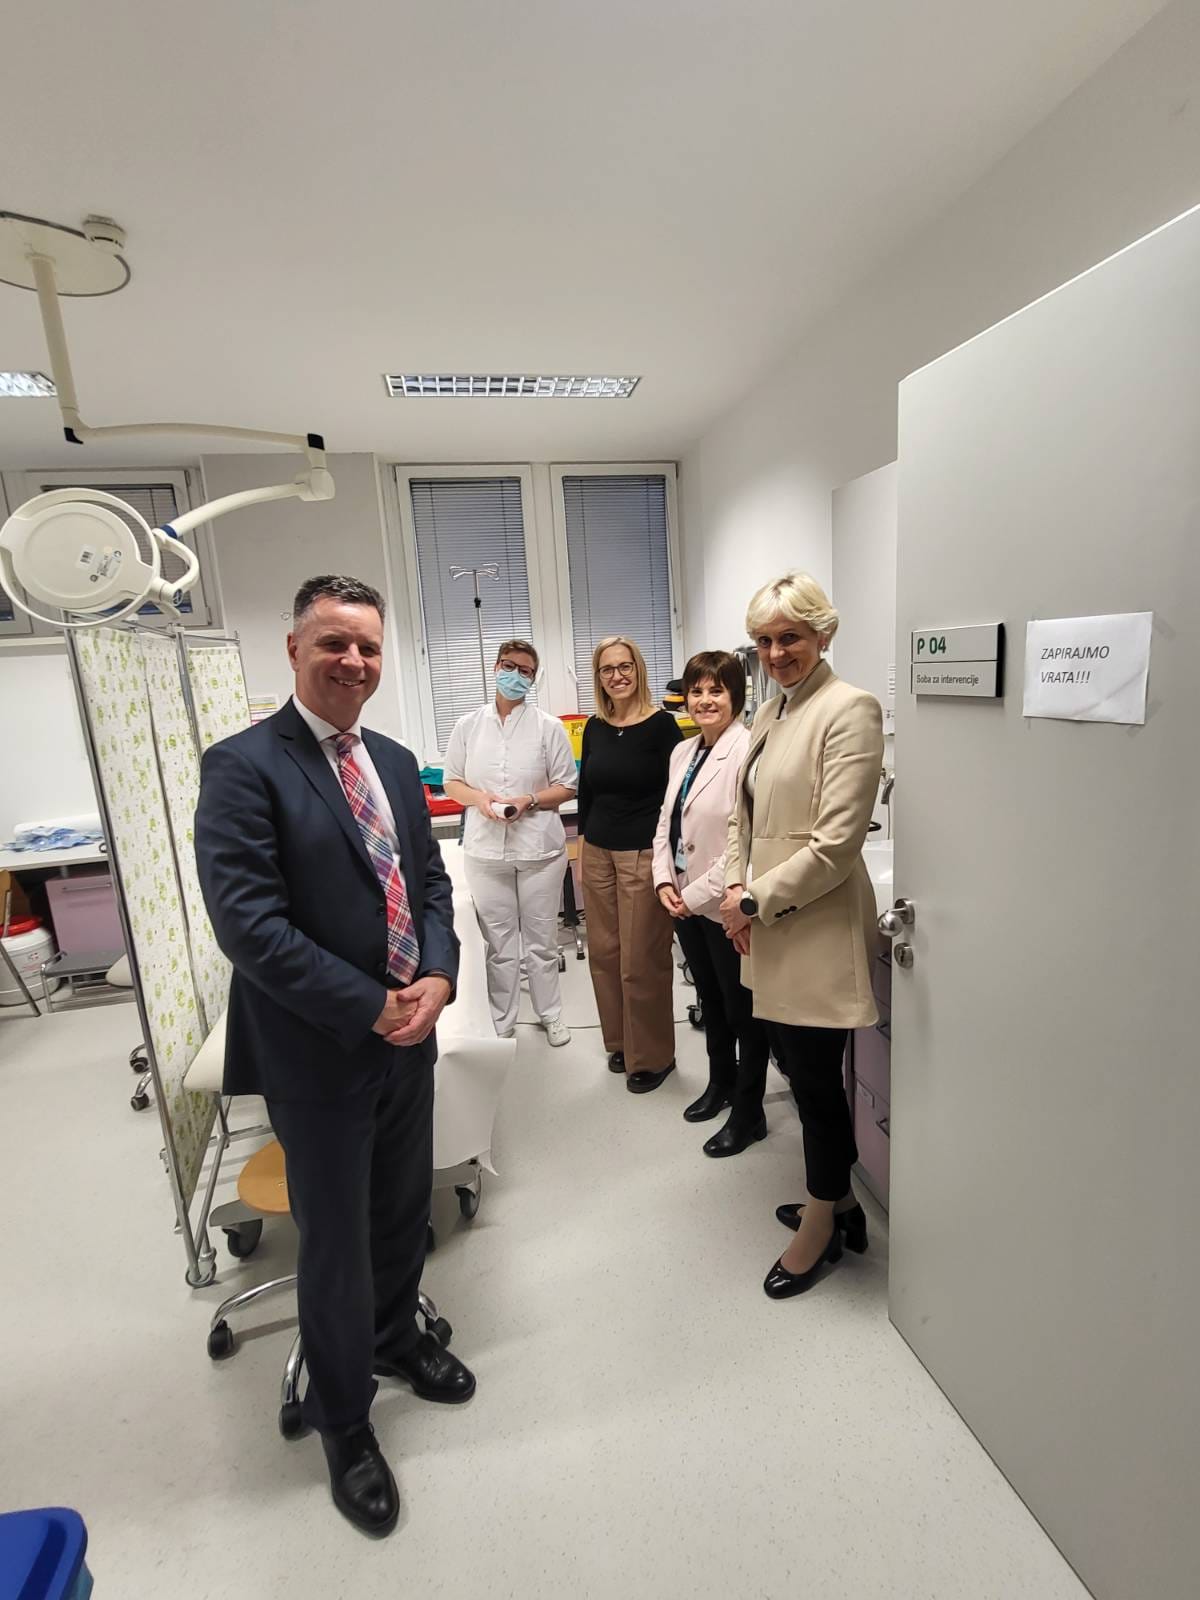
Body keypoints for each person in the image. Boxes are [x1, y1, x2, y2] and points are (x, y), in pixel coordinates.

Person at [195, 574, 471, 1539]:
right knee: (336, 1243)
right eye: (333, 643)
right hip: (318, 1055)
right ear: (294, 649)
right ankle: (344, 1420)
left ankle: (396, 1340)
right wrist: (369, 1006)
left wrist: (437, 977)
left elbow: (430, 883)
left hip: (410, 1041)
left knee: (400, 1215)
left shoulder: (392, 760)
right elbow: (250, 927)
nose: (354, 661)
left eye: (368, 646)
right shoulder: (243, 767)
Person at [720, 572, 882, 1299]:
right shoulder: (771, 710)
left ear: (823, 634)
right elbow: (743, 817)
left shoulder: (850, 710)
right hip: (766, 921)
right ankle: (842, 1205)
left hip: (811, 927)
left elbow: (836, 846)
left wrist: (752, 901)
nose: (775, 652)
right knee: (798, 1069)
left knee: (815, 1084)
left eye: (790, 637)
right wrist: (734, 890)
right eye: (763, 640)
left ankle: (821, 1225)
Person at [652, 651, 770, 1156]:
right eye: (696, 691)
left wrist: (693, 894)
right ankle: (720, 1082)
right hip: (683, 900)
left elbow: (746, 839)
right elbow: (667, 822)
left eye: (716, 691)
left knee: (744, 1012)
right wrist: (663, 880)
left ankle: (750, 1111)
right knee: (711, 1000)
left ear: (735, 696)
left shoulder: (748, 751)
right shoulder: (682, 751)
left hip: (723, 904)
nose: (704, 700)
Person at [442, 639, 578, 1047]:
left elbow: (567, 786)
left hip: (539, 851)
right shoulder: (468, 726)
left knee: (541, 941)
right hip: (485, 852)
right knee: (499, 945)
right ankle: (502, 1020)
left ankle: (551, 1014)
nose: (515, 675)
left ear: (533, 679)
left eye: (525, 670)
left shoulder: (548, 727)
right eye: (508, 666)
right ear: (495, 667)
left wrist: (529, 800)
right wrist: (480, 799)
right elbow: (452, 782)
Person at [578, 636, 682, 1091]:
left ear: (638, 669)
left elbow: (676, 798)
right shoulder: (595, 726)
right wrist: (584, 845)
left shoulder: (662, 727)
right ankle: (621, 1041)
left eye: (624, 667)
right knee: (604, 953)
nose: (617, 676)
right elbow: (587, 791)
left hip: (643, 852)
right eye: (607, 669)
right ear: (599, 678)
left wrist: (669, 860)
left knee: (642, 957)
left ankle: (653, 1056)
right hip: (598, 850)